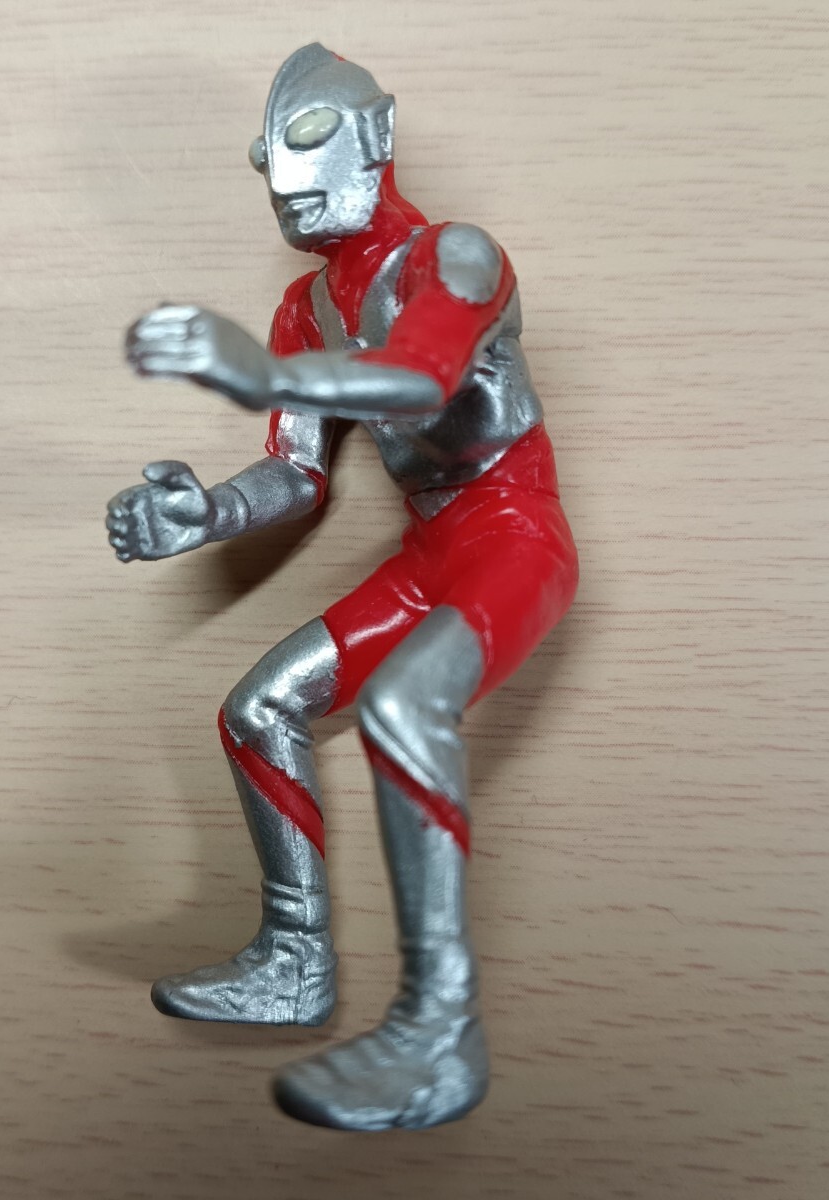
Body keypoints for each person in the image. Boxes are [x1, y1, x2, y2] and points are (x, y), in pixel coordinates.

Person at [106, 43, 578, 1131]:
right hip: (429, 553)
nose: (284, 176)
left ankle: (440, 1033)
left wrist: (261, 375)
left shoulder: (455, 256)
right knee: (258, 710)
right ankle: (294, 960)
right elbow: (298, 475)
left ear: (377, 133)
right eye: (264, 156)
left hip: (514, 536)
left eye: (309, 137)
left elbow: (418, 378)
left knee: (407, 708)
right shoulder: (306, 309)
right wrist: (203, 516)